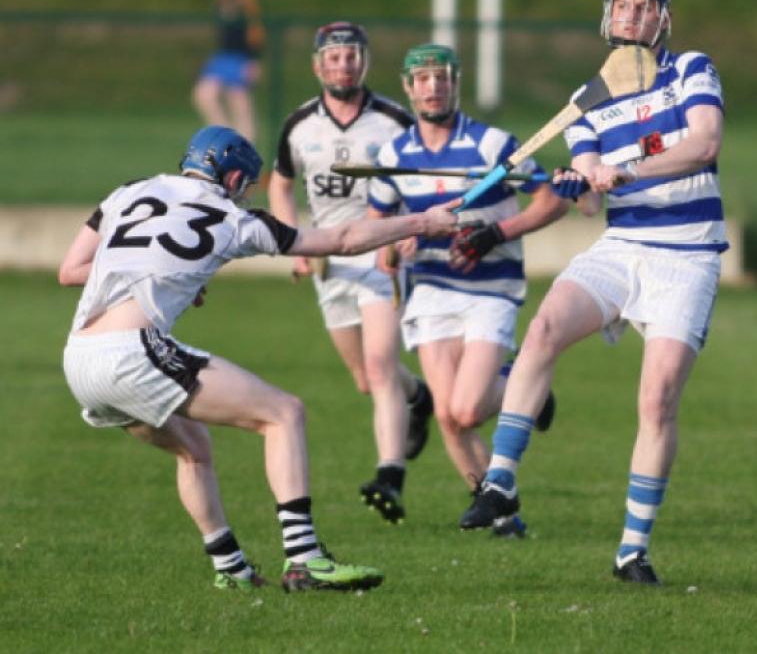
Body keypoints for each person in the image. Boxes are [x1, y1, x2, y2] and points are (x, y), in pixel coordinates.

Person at [59, 125, 458, 592]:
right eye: (246, 186)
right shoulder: (236, 220)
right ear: (232, 179)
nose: (246, 195)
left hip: (79, 360)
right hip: (132, 353)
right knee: (284, 413)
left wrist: (163, 272)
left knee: (194, 450)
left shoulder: (130, 192)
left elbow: (71, 271)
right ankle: (305, 559)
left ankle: (232, 570)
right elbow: (344, 239)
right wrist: (422, 223)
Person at [462, 0, 727, 584]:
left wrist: (626, 169)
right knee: (544, 328)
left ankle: (632, 550)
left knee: (657, 400)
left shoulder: (691, 69)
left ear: (662, 17)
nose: (631, 14)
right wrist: (575, 183)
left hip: (687, 253)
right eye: (622, 4)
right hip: (622, 245)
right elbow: (587, 197)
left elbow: (705, 143)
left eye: (643, 5)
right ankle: (500, 480)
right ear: (608, 15)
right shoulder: (589, 99)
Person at [367, 43, 569, 534]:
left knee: (468, 408)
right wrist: (396, 244)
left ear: (456, 84)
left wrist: (495, 233)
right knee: (449, 419)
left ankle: (526, 383)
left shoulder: (492, 145)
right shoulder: (393, 155)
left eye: (443, 78)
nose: (433, 87)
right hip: (431, 290)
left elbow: (552, 201)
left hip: (490, 288)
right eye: (423, 79)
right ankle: (504, 516)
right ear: (408, 88)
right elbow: (379, 232)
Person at [268, 21, 434, 526]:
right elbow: (280, 184)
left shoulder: (393, 119)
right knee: (366, 379)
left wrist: (409, 231)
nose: (344, 65)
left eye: (352, 56)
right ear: (318, 66)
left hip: (381, 254)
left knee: (380, 365)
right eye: (334, 57)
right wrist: (292, 242)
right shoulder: (300, 124)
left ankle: (390, 476)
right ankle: (419, 397)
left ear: (365, 61)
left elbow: (423, 179)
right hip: (329, 258)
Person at [191, 0, 265, 143]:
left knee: (240, 104)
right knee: (203, 95)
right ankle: (224, 137)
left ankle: (244, 147)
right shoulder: (220, 5)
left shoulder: (245, 2)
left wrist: (254, 61)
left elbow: (256, 33)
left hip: (241, 58)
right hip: (223, 57)